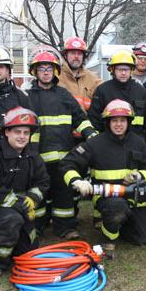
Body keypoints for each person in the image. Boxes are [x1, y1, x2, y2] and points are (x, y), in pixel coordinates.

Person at [60, 99, 146, 257]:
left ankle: (120, 223)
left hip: (133, 196)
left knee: (145, 238)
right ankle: (108, 238)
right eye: (114, 120)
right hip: (106, 196)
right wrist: (77, 181)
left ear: (129, 122)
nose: (119, 124)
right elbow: (67, 163)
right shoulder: (95, 143)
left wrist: (139, 175)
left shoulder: (138, 142)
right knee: (117, 208)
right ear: (107, 122)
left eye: (122, 120)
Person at [25, 51, 98, 239]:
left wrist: (90, 134)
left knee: (64, 194)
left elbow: (80, 118)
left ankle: (66, 228)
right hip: (37, 158)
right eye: (41, 69)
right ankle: (38, 226)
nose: (46, 72)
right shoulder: (27, 97)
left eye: (49, 69)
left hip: (64, 157)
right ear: (35, 72)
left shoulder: (64, 95)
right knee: (39, 193)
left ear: (55, 71)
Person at [0, 107, 50, 276]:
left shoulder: (32, 156)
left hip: (19, 208)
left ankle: (8, 247)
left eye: (26, 132)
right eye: (17, 132)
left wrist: (32, 198)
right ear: (6, 132)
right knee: (11, 219)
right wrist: (20, 205)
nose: (22, 136)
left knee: (28, 249)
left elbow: (43, 181)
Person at [88, 49, 146, 142]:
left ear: (131, 70)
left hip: (136, 146)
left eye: (126, 69)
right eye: (119, 69)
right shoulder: (102, 91)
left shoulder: (141, 91)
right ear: (112, 70)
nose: (123, 73)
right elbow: (94, 122)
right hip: (109, 145)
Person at [57, 36, 102, 111]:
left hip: (87, 121)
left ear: (84, 56)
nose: (76, 56)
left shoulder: (93, 78)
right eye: (73, 53)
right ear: (65, 55)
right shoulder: (56, 76)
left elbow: (105, 94)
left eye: (80, 54)